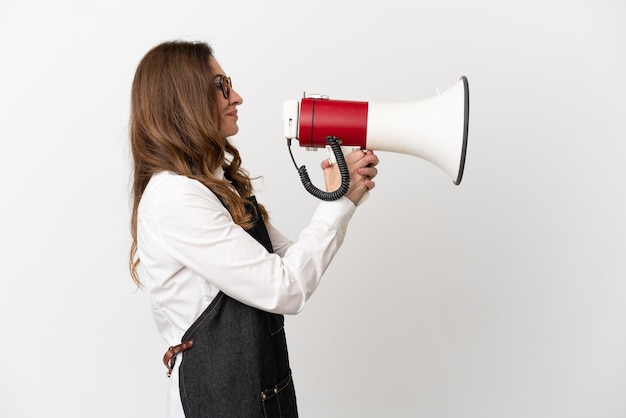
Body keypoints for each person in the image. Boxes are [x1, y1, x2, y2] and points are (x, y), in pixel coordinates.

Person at [128, 40, 379, 418]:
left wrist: (339, 198)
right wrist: (338, 204)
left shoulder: (214, 185)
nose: (238, 97)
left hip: (262, 395)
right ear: (185, 99)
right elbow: (286, 288)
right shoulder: (174, 198)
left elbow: (289, 265)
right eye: (221, 85)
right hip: (220, 401)